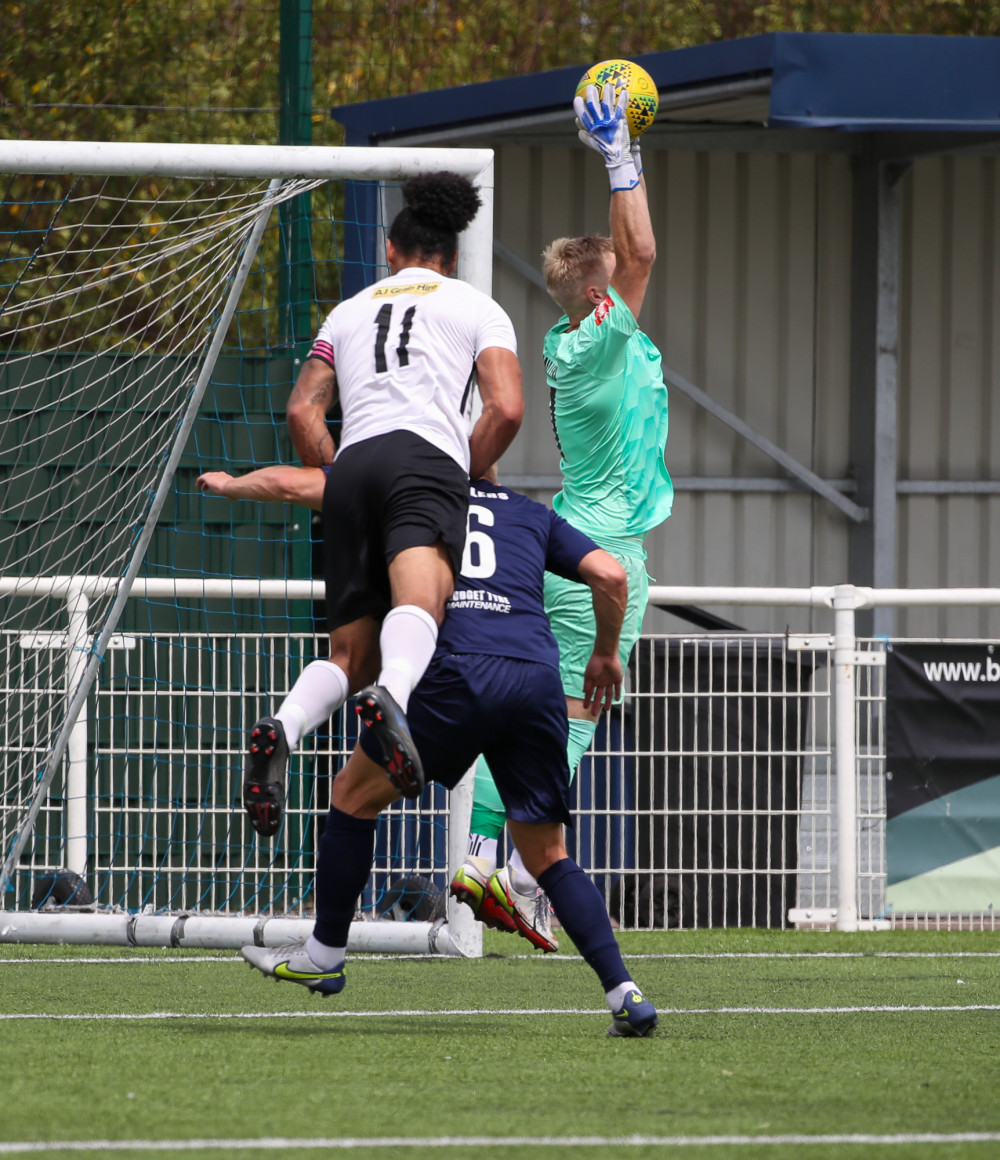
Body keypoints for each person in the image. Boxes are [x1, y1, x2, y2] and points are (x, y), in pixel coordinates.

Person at [213, 466, 658, 1038]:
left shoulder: (413, 498)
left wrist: (231, 485)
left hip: (458, 675)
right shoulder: (532, 513)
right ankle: (625, 993)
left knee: (351, 793)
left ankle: (324, 953)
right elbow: (611, 574)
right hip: (535, 679)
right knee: (547, 853)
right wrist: (604, 655)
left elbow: (300, 485)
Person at [451, 81, 674, 951]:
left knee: (536, 707)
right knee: (577, 714)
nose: (628, 277)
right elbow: (643, 250)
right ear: (597, 291)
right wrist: (622, 155)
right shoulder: (598, 337)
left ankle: (482, 851)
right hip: (609, 544)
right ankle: (510, 868)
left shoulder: (572, 340)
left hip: (577, 527)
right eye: (613, 280)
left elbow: (627, 260)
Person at [241, 171, 523, 835]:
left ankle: (285, 724)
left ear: (389, 252)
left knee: (350, 656)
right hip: (424, 463)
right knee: (419, 606)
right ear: (452, 259)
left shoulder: (347, 312)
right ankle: (390, 703)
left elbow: (303, 409)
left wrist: (340, 472)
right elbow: (506, 406)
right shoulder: (476, 307)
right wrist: (465, 467)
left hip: (355, 466)